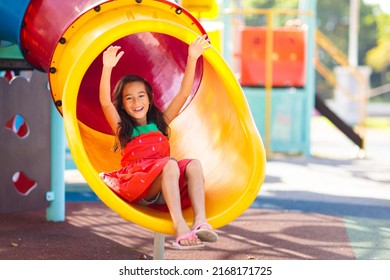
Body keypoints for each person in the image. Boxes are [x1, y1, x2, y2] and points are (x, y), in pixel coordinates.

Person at [98, 35, 218, 249]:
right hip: (143, 187)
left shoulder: (160, 123)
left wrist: (192, 58)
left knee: (193, 164)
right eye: (129, 98)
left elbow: (182, 94)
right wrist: (107, 67)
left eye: (141, 96)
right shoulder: (124, 130)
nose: (136, 102)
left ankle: (200, 221)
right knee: (170, 164)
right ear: (123, 105)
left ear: (150, 98)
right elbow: (105, 103)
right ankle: (180, 227)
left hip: (167, 184)